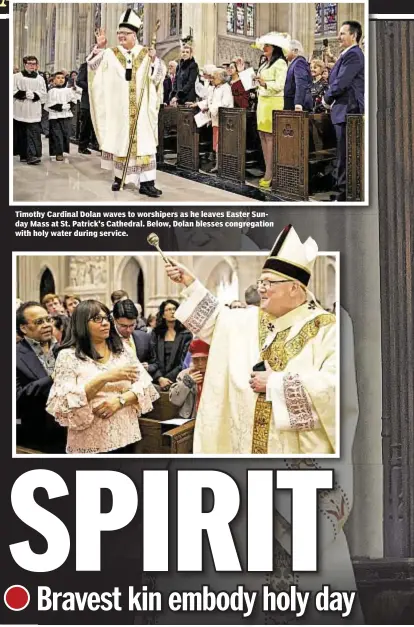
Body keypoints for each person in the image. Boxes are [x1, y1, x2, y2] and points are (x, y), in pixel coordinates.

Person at [165, 224, 337, 454]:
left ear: (295, 288)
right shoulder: (251, 319)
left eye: (268, 283)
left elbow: (335, 388)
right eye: (260, 282)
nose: (262, 289)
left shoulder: (326, 327)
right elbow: (217, 322)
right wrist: (190, 283)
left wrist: (276, 384)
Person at [46, 300, 159, 454]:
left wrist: (120, 401)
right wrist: (106, 377)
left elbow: (145, 386)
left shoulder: (122, 350)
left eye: (106, 318)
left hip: (126, 434)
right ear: (81, 323)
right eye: (97, 319)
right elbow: (65, 401)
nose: (105, 323)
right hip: (90, 439)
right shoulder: (68, 356)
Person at [87, 9, 163, 198]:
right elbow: (93, 67)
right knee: (120, 142)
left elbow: (157, 78)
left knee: (144, 145)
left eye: (125, 34)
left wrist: (154, 61)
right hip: (119, 110)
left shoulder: (146, 53)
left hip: (142, 110)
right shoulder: (110, 54)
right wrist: (99, 47)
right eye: (119, 34)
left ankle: (147, 183)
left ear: (134, 35)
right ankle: (119, 177)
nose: (121, 37)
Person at [16, 302, 66, 453]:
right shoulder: (14, 356)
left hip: (71, 431)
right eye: (39, 322)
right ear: (23, 328)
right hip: (37, 436)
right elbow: (17, 399)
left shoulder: (64, 350)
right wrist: (52, 378)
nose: (46, 325)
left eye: (48, 320)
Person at [323, 21, 364, 201]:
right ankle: (340, 187)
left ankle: (343, 192)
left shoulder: (354, 54)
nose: (338, 37)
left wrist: (327, 98)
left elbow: (342, 81)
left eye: (342, 33)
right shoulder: (348, 54)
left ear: (353, 35)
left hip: (348, 108)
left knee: (345, 153)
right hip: (343, 108)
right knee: (341, 151)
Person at [254, 33, 289, 188]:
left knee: (270, 138)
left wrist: (265, 83)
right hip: (262, 102)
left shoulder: (281, 63)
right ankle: (268, 169)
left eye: (267, 45)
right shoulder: (264, 64)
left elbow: (281, 85)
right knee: (262, 136)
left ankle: (271, 173)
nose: (264, 48)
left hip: (274, 102)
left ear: (275, 48)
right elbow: (261, 83)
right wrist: (257, 83)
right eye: (264, 45)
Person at [196, 68, 234, 172]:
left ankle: (222, 166)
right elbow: (209, 101)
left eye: (214, 76)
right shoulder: (214, 88)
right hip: (215, 119)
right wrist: (201, 105)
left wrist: (210, 108)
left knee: (221, 143)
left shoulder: (226, 88)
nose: (212, 79)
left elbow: (225, 103)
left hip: (224, 120)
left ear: (221, 78)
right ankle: (218, 165)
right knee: (216, 143)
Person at [150, 299, 192, 391]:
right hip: (158, 381)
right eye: (168, 310)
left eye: (175, 309)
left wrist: (168, 379)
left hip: (178, 381)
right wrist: (160, 378)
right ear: (163, 315)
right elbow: (152, 358)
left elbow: (183, 362)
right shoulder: (156, 333)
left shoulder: (186, 334)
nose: (172, 312)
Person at [13, 55, 47, 165]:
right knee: (21, 133)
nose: (32, 66)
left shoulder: (40, 78)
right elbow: (12, 89)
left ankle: (32, 155)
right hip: (20, 108)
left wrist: (35, 95)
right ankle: (23, 154)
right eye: (30, 63)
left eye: (34, 64)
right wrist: (23, 94)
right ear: (25, 64)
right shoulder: (16, 76)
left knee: (34, 132)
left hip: (34, 109)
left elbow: (43, 92)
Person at [112, 299, 156, 377]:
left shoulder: (144, 337)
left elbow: (155, 363)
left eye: (132, 325)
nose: (128, 330)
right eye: (123, 326)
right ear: (114, 320)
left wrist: (148, 367)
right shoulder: (106, 340)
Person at [169, 338, 210, 419]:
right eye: (196, 359)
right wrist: (187, 383)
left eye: (204, 359)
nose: (200, 363)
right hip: (189, 420)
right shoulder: (184, 374)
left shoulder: (216, 375)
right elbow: (175, 400)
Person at [46, 71, 81, 161]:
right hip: (55, 116)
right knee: (57, 135)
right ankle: (58, 153)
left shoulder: (68, 90)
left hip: (66, 115)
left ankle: (63, 150)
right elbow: (49, 104)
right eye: (58, 78)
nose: (61, 80)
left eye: (62, 78)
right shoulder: (51, 91)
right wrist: (61, 107)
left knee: (65, 134)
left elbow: (74, 100)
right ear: (53, 80)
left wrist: (68, 106)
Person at [283, 39, 313, 112]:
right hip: (291, 103)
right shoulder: (295, 63)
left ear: (295, 51)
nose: (284, 53)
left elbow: (301, 83)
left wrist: (298, 104)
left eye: (286, 50)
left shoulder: (299, 62)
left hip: (297, 105)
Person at [170, 35, 199, 106]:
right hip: (178, 98)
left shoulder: (193, 65)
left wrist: (178, 96)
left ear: (191, 54)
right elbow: (175, 81)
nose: (185, 53)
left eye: (187, 52)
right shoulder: (179, 66)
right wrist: (174, 95)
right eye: (183, 52)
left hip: (188, 97)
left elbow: (190, 83)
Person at [76, 59, 94, 155]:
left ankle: (97, 144)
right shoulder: (85, 65)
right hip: (87, 99)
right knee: (86, 124)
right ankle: (83, 146)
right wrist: (91, 87)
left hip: (100, 100)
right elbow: (79, 81)